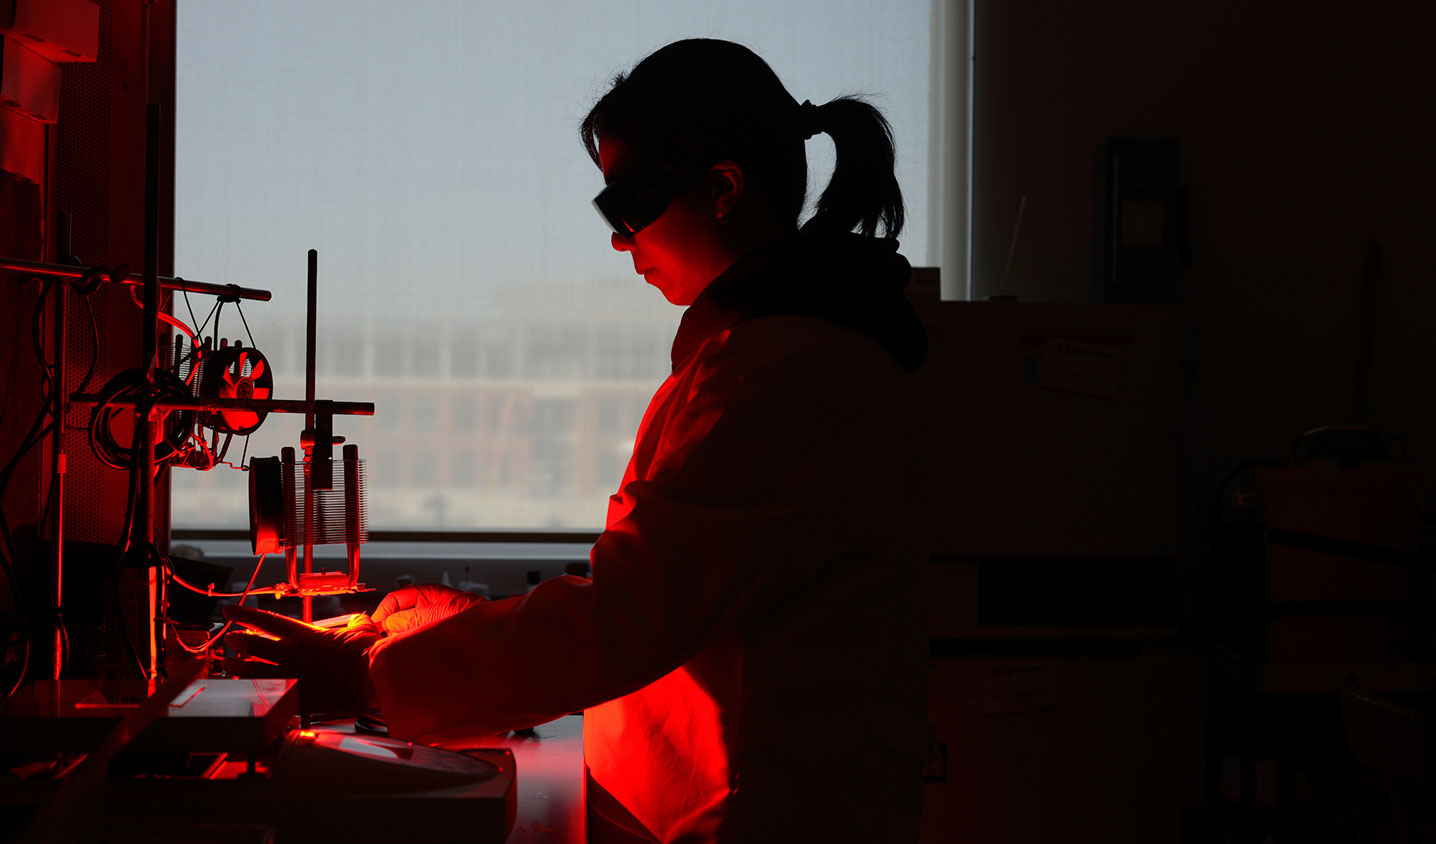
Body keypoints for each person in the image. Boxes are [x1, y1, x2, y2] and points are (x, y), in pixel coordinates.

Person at [224, 38, 930, 843]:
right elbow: (667, 598)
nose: (619, 240)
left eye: (626, 204)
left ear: (724, 188)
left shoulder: (785, 376)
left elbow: (627, 618)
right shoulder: (765, 357)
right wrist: (466, 623)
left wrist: (367, 673)